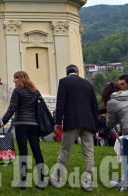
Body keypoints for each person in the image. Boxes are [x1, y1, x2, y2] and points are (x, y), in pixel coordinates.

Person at [51, 64, 98, 192]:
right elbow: (94, 105)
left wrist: (58, 122)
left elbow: (60, 103)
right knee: (89, 153)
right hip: (88, 122)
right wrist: (95, 125)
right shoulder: (88, 84)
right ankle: (87, 183)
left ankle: (57, 179)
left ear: (67, 73)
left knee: (65, 151)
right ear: (77, 72)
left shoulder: (64, 82)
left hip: (71, 121)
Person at [1, 70, 46, 189]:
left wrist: (2, 122)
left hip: (21, 125)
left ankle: (23, 182)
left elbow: (12, 108)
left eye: (16, 78)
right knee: (37, 152)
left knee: (23, 153)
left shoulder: (17, 91)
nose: (14, 80)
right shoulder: (35, 92)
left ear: (21, 79)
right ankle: (41, 181)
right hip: (34, 125)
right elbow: (41, 108)